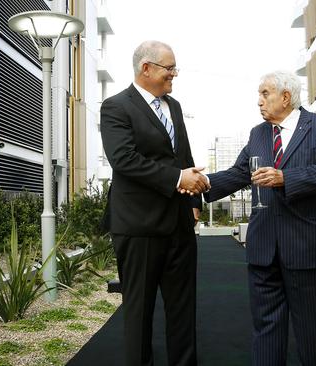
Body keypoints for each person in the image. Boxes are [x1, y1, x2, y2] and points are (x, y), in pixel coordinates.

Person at [202, 70, 316, 365]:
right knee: (266, 329)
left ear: (285, 97)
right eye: (258, 94)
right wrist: (198, 187)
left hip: (308, 248)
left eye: (264, 93)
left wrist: (285, 177)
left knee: (309, 333)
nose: (258, 101)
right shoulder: (258, 134)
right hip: (263, 248)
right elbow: (238, 174)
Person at [100, 40, 209, 366]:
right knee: (140, 312)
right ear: (146, 68)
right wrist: (177, 179)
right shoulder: (116, 106)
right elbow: (124, 160)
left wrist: (195, 200)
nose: (174, 74)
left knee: (182, 310)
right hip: (138, 227)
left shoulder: (173, 106)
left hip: (179, 225)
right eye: (169, 68)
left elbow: (183, 155)